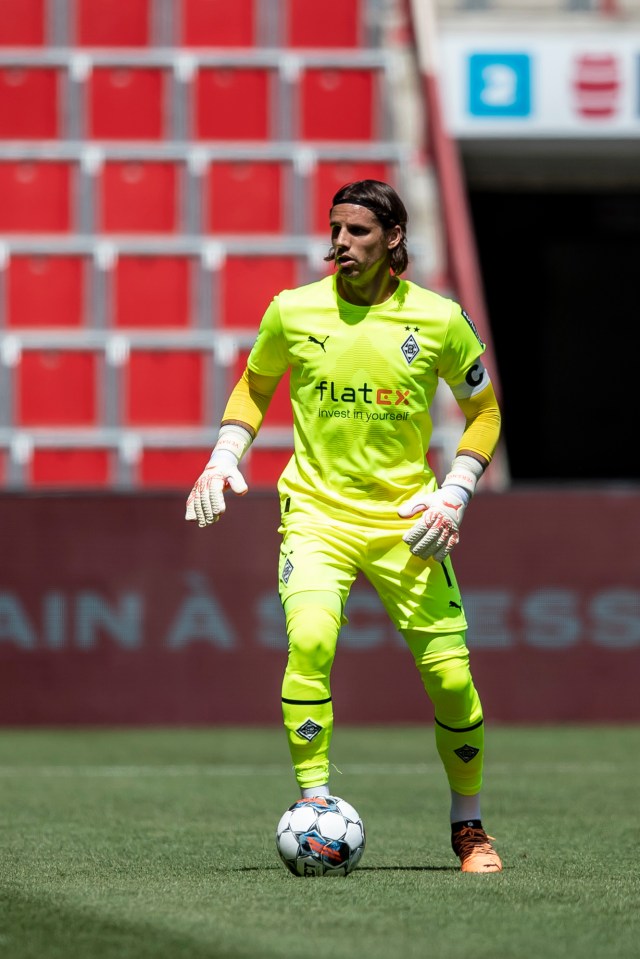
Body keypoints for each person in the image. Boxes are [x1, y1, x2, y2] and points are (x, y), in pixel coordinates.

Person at [186, 179, 503, 873]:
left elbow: (484, 411)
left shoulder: (440, 318)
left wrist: (455, 491)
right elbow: (255, 384)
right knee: (310, 637)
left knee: (451, 679)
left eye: (357, 231)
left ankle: (468, 824)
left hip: (409, 520)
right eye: (335, 229)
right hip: (317, 514)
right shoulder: (292, 311)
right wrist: (222, 456)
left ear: (393, 238)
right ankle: (316, 804)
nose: (340, 243)